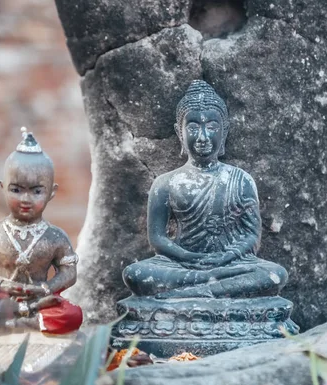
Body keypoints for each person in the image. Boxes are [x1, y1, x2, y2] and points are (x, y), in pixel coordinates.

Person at [122, 81, 288, 299]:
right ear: (179, 132)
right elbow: (158, 239)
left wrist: (226, 257)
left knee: (274, 274)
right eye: (192, 128)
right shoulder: (165, 183)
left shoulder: (241, 180)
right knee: (135, 274)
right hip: (183, 264)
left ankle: (192, 294)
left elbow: (251, 237)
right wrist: (188, 258)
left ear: (224, 130)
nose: (202, 137)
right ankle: (211, 290)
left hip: (231, 264)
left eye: (211, 127)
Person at [0, 128, 82, 334]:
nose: (25, 199)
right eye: (16, 190)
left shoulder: (56, 236)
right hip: (1, 300)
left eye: (36, 191)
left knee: (72, 314)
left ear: (52, 192)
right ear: (2, 187)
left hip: (41, 300)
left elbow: (69, 272)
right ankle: (17, 316)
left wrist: (44, 289)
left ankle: (22, 317)